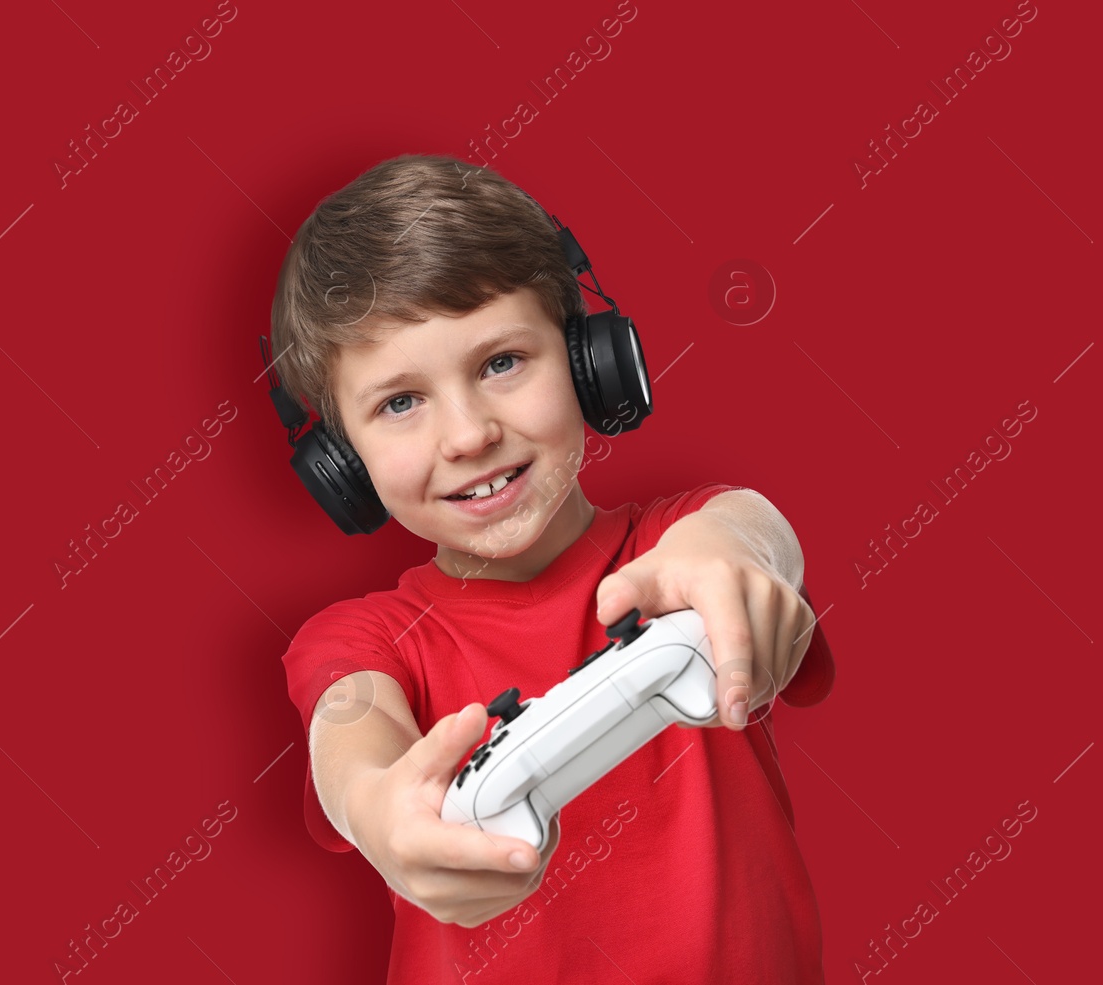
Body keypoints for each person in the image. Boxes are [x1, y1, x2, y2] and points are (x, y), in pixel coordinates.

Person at [271, 153, 835, 983]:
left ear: (589, 363)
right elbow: (350, 733)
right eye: (400, 402)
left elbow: (749, 532)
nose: (467, 435)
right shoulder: (367, 637)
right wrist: (377, 811)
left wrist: (738, 556)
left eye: (502, 362)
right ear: (343, 462)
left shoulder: (679, 545)